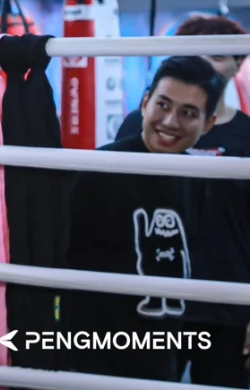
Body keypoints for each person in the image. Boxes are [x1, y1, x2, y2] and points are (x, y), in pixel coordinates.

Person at [62, 56, 224, 382]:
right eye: (163, 105)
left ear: (208, 123)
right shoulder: (99, 169)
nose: (171, 121)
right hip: (92, 355)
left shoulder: (204, 181)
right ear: (146, 102)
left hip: (164, 354)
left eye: (189, 113)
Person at [114, 16, 250, 387]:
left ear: (238, 64)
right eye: (195, 53)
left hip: (227, 304)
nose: (204, 64)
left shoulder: (247, 135)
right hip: (149, 301)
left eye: (217, 57)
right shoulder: (141, 126)